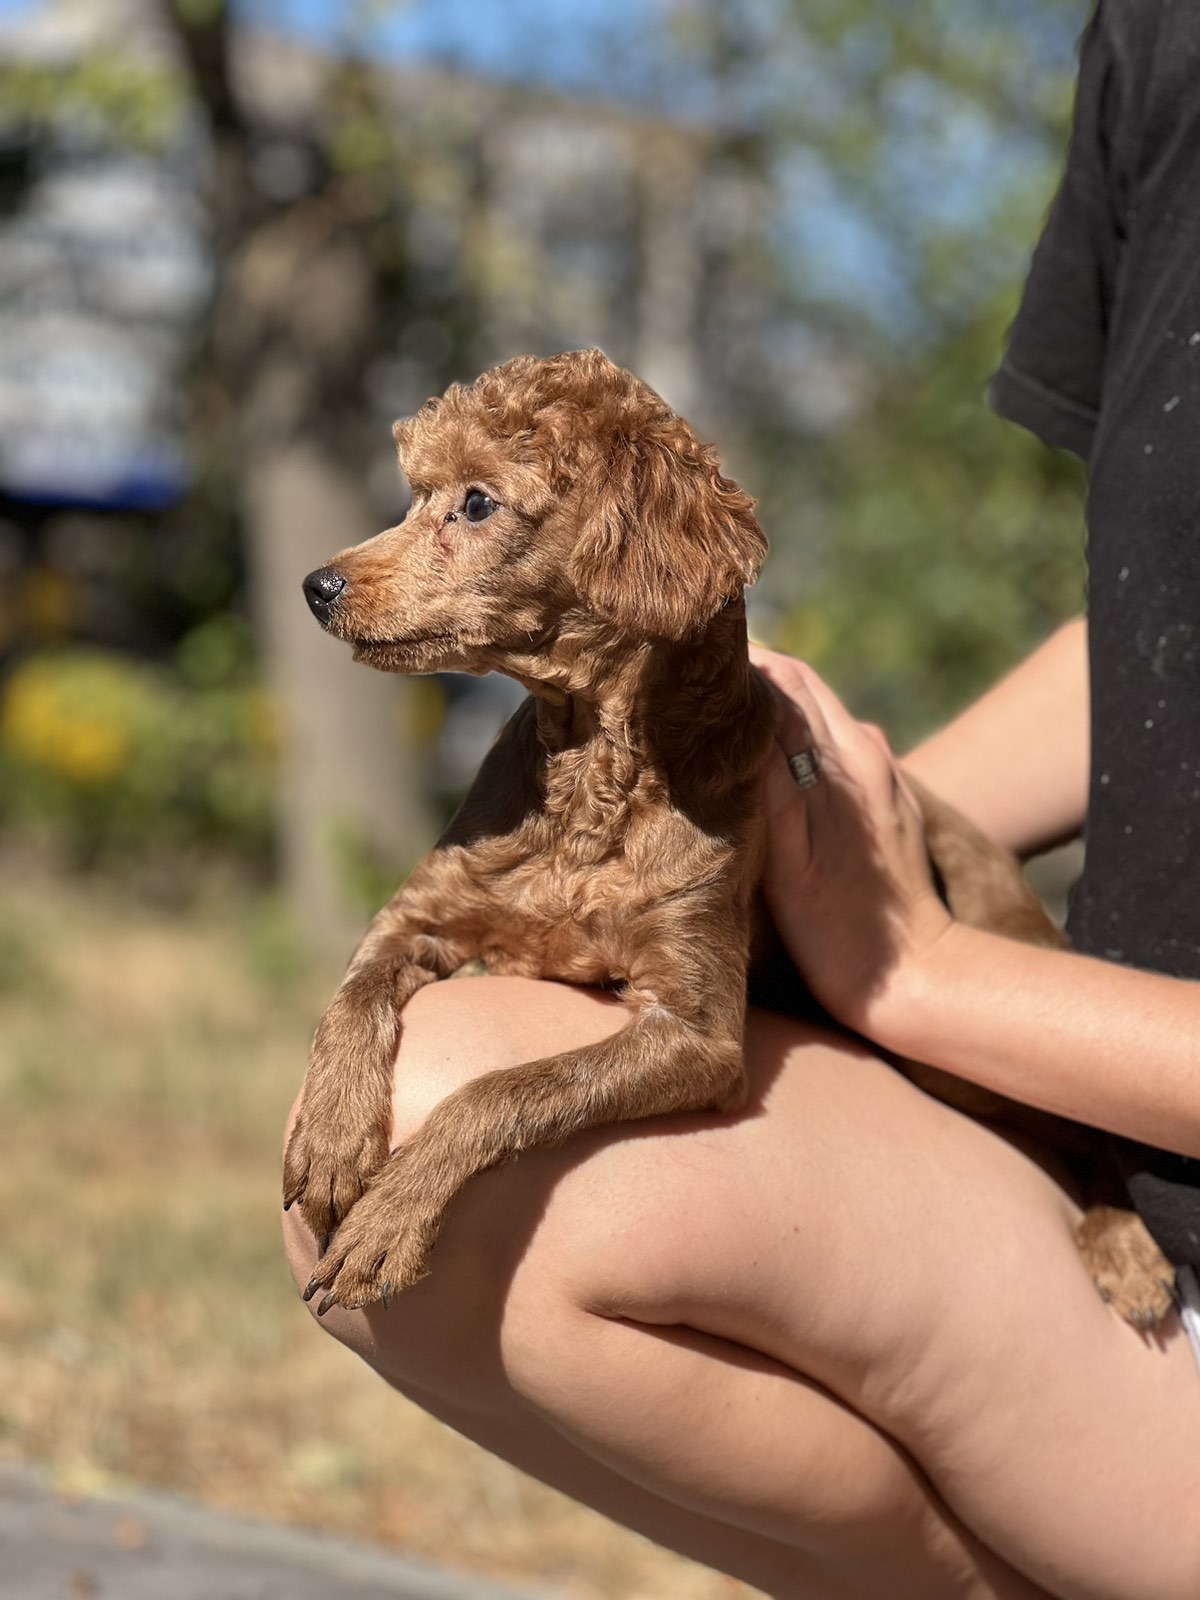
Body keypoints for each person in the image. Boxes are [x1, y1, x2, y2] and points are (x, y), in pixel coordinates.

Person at [283, 3, 1200, 1595]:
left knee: (467, 1153)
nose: (390, 552)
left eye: (472, 513)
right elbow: (1163, 624)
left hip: (1118, 1173)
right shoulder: (1161, 41)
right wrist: (802, 820)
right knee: (363, 1191)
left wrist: (917, 970)